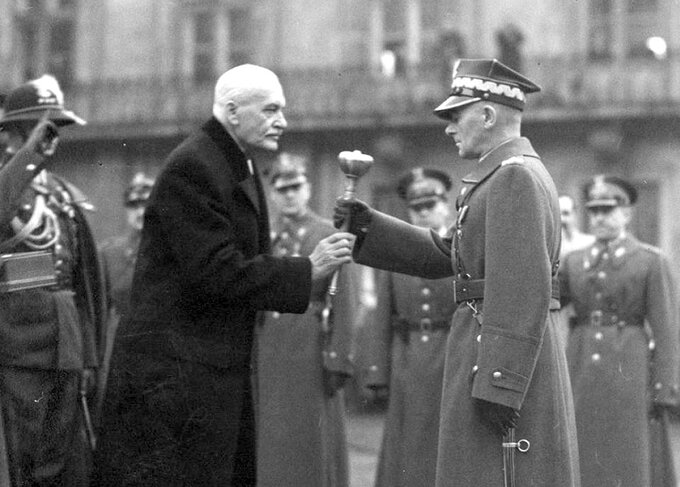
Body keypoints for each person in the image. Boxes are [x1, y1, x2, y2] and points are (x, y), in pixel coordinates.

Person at [92, 64, 355, 487]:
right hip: (175, 382)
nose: (282, 121)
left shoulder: (231, 163)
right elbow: (214, 271)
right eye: (270, 110)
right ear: (233, 112)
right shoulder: (194, 167)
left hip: (204, 372)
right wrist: (308, 269)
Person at [335, 59, 579, 486]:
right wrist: (365, 225)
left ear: (486, 115)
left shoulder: (513, 179)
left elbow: (523, 289)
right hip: (490, 356)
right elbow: (450, 255)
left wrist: (501, 382)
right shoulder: (502, 176)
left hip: (498, 362)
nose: (449, 127)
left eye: (455, 115)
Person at [0, 75, 107, 486]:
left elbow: (87, 282)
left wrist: (90, 355)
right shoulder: (10, 184)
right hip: (17, 346)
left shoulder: (62, 194)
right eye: (40, 128)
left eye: (56, 128)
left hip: (67, 346)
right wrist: (27, 159)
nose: (51, 138)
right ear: (13, 134)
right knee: (20, 460)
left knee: (61, 462)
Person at [560, 175, 679, 487]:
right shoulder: (574, 261)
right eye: (594, 211)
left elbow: (666, 330)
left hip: (630, 367)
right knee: (583, 449)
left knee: (628, 453)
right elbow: (548, 300)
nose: (599, 218)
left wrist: (665, 387)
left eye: (607, 210)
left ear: (626, 214)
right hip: (581, 364)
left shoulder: (650, 261)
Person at [255, 153, 358, 487]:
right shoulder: (263, 239)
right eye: (281, 188)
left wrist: (338, 358)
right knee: (271, 441)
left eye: (295, 186)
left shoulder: (327, 233)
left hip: (310, 348)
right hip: (269, 349)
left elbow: (344, 299)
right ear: (271, 193)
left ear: (308, 188)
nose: (289, 194)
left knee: (312, 439)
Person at [364, 167, 457, 487]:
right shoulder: (396, 256)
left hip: (451, 355)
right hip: (409, 360)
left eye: (431, 206)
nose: (424, 213)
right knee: (407, 444)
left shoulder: (461, 248)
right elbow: (381, 316)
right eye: (417, 208)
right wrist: (377, 372)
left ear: (446, 205)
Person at [96, 172, 155, 417]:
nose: (140, 212)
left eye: (147, 205)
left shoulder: (173, 253)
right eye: (133, 206)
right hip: (119, 340)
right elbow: (100, 309)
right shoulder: (109, 253)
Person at [559, 194, 595, 259]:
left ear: (575, 215)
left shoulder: (588, 243)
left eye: (565, 213)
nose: (562, 219)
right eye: (558, 215)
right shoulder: (549, 247)